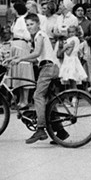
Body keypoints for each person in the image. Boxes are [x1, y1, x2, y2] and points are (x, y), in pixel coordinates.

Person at [9, 12, 60, 144]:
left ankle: (41, 129)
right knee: (48, 99)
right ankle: (61, 131)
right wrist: (15, 58)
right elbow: (36, 58)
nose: (29, 27)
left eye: (32, 24)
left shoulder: (40, 35)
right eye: (27, 25)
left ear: (38, 24)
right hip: (49, 67)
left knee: (38, 96)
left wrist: (20, 57)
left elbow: (36, 53)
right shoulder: (38, 36)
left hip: (48, 68)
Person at [9, 1, 35, 107]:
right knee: (18, 73)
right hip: (15, 45)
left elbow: (27, 34)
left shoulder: (22, 20)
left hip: (21, 45)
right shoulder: (17, 19)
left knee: (24, 71)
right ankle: (21, 99)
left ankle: (25, 100)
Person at [58, 25, 87, 90]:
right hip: (67, 60)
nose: (71, 33)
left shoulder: (74, 39)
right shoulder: (68, 39)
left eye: (73, 32)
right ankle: (70, 96)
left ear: (76, 32)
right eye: (70, 32)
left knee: (72, 78)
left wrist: (64, 47)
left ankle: (75, 96)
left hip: (71, 60)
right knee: (69, 81)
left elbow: (68, 53)